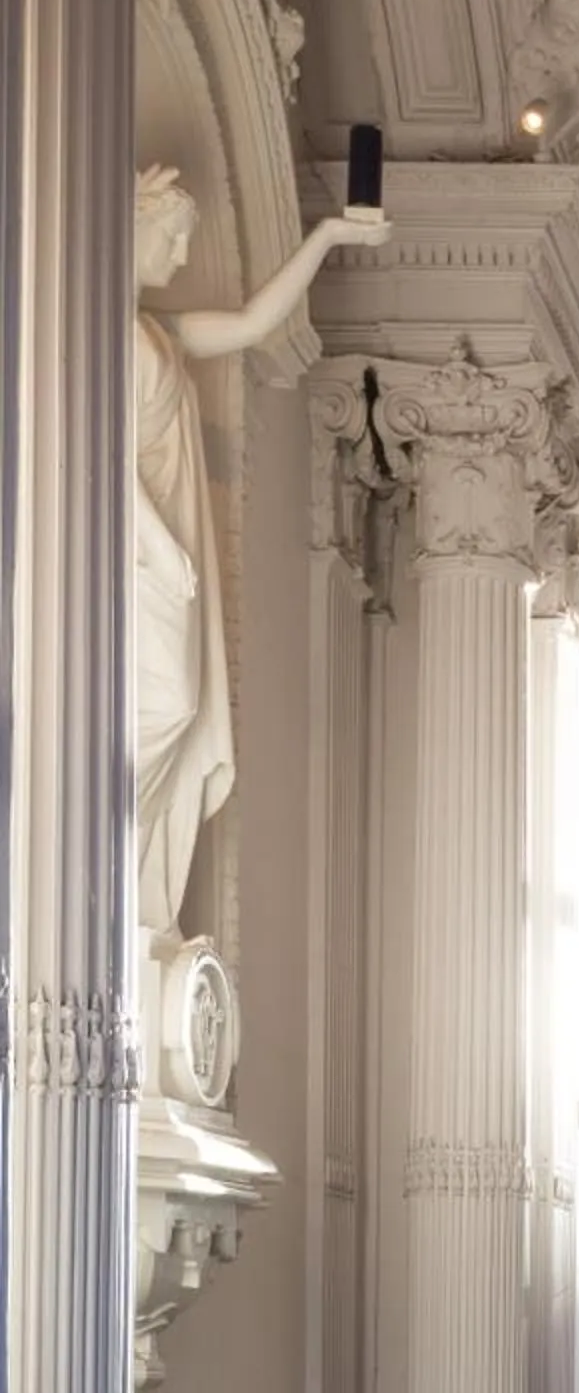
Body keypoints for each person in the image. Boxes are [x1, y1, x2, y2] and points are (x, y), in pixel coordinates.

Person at [133, 165, 390, 936]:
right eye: (173, 237)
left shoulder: (159, 334)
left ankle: (127, 873)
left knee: (176, 708)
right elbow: (91, 458)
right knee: (165, 704)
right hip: (135, 560)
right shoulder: (92, 336)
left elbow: (250, 323)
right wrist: (161, 548)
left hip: (165, 553)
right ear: (130, 224)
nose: (181, 257)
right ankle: (93, 848)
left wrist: (329, 236)